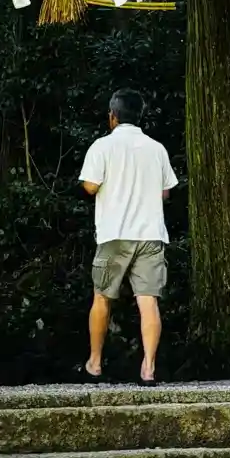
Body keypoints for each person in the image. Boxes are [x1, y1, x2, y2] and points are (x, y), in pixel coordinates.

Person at [78, 88, 178, 383]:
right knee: (148, 301)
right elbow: (165, 192)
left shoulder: (102, 146)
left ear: (112, 116)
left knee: (102, 297)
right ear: (140, 116)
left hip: (114, 233)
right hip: (150, 234)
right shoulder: (157, 149)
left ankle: (95, 363)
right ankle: (148, 368)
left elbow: (91, 186)